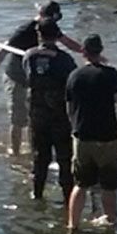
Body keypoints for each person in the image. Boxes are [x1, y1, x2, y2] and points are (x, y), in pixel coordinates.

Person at [0, 1, 86, 156]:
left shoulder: (50, 27)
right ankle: (15, 153)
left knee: (35, 116)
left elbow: (67, 42)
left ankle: (34, 151)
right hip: (16, 76)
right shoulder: (25, 30)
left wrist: (88, 53)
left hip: (36, 79)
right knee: (18, 118)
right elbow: (2, 51)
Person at [65, 35, 117, 230]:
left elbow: (69, 108)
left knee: (80, 184)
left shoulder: (74, 76)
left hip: (81, 137)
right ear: (101, 52)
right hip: (106, 137)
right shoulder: (110, 74)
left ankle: (72, 224)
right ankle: (109, 220)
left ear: (83, 52)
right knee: (108, 185)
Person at [22, 20, 77, 201]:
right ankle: (67, 197)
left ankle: (37, 194)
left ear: (39, 34)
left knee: (39, 157)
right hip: (59, 115)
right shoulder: (64, 59)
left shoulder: (29, 56)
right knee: (64, 158)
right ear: (57, 35)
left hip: (37, 115)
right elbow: (73, 85)